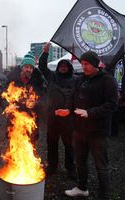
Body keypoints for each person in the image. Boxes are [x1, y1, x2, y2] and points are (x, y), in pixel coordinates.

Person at [64, 51, 118, 200]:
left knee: (101, 167)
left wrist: (90, 112)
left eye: (86, 64)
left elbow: (112, 105)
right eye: (82, 64)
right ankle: (82, 188)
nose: (84, 67)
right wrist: (67, 109)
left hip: (98, 132)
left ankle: (104, 196)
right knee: (80, 162)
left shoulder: (108, 80)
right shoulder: (80, 79)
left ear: (95, 64)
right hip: (79, 130)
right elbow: (71, 96)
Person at [38, 42, 77, 179]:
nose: (63, 68)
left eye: (65, 66)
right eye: (61, 66)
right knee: (52, 144)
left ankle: (71, 168)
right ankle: (52, 166)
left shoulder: (75, 80)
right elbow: (42, 67)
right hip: (53, 118)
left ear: (69, 68)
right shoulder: (52, 76)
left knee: (69, 146)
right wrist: (45, 52)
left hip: (68, 119)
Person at [3, 51, 46, 146]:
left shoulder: (38, 81)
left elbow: (44, 98)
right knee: (14, 147)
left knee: (30, 147)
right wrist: (8, 105)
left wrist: (36, 103)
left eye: (30, 68)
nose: (28, 69)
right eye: (26, 67)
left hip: (31, 120)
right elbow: (2, 95)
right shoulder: (12, 80)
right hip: (14, 119)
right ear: (22, 68)